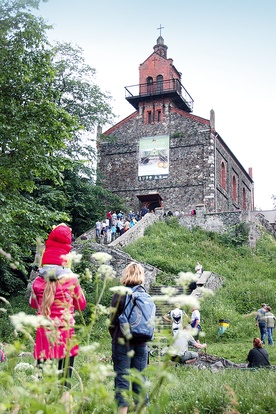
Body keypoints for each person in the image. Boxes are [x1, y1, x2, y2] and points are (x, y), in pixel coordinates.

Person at [29, 224, 87, 387]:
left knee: (42, 383)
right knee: (64, 383)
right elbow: (81, 305)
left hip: (43, 336)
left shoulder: (38, 282)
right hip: (65, 336)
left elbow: (33, 304)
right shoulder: (71, 281)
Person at [109, 263, 149, 413]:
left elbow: (112, 320)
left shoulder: (120, 293)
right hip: (142, 342)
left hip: (122, 342)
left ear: (125, 274)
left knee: (122, 379)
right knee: (139, 379)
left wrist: (116, 337)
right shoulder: (145, 294)